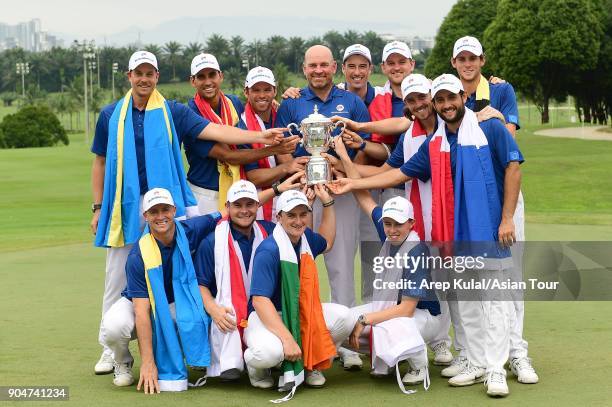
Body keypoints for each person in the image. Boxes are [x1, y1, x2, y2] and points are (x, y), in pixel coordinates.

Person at [91, 50, 285, 377]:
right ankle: (111, 349)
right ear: (129, 76)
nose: (144, 78)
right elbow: (98, 161)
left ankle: (185, 341)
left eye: (150, 73)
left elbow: (217, 132)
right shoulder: (111, 114)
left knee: (178, 271)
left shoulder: (172, 111)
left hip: (164, 202)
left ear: (157, 76)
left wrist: (258, 136)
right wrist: (98, 207)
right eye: (138, 73)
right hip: (124, 203)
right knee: (118, 274)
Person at [331, 74, 524, 397]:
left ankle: (495, 369)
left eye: (452, 98)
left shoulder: (489, 127)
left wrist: (506, 219)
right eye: (441, 100)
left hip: (488, 229)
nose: (447, 105)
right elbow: (397, 173)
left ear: (464, 96)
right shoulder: (436, 143)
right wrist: (351, 182)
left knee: (494, 303)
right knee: (469, 302)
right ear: (435, 103)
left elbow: (513, 166)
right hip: (455, 233)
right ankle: (476, 362)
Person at [330, 137, 449, 389]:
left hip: (422, 317)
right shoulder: (387, 234)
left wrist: (365, 319)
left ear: (411, 224)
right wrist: (342, 153)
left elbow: (406, 310)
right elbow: (362, 193)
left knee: (388, 325)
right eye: (388, 223)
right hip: (393, 310)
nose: (392, 230)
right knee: (339, 325)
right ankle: (390, 355)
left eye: (398, 224)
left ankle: (418, 363)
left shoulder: (416, 251)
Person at [451, 36, 537, 384]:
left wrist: (496, 118)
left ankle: (517, 353)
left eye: (473, 58)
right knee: (471, 281)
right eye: (462, 58)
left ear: (482, 60)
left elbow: (507, 142)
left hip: (505, 198)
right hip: (470, 201)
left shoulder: (502, 90)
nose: (468, 63)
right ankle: (478, 358)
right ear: (454, 62)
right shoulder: (448, 95)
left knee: (509, 279)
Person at [275, 45, 371, 311]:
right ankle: (301, 330)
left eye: (323, 65)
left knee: (341, 263)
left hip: (340, 191)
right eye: (312, 65)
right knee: (297, 260)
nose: (318, 70)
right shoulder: (291, 102)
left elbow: (363, 148)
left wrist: (342, 168)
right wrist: (295, 171)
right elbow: (283, 148)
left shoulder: (352, 102)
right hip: (301, 194)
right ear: (304, 69)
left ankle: (346, 336)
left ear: (333, 67)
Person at [100, 188, 222, 392]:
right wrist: (148, 363)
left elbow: (230, 213)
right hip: (140, 303)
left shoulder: (190, 229)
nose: (160, 216)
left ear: (174, 210)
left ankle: (194, 356)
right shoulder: (137, 256)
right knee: (114, 326)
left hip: (176, 301)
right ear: (145, 216)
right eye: (154, 212)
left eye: (165, 209)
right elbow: (141, 312)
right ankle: (122, 361)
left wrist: (276, 189)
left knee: (202, 314)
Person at [244, 188, 353, 398]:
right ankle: (256, 369)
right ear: (279, 217)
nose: (298, 221)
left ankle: (311, 363)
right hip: (267, 315)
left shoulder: (305, 239)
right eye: (291, 215)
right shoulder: (269, 250)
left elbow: (327, 242)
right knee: (269, 353)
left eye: (303, 214)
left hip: (300, 311)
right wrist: (286, 339)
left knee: (345, 317)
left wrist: (328, 203)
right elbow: (259, 301)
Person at [194, 176, 302, 383]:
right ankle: (238, 358)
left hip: (264, 312)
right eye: (238, 205)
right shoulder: (212, 241)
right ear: (227, 207)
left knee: (276, 351)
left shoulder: (271, 232)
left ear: (258, 205)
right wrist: (213, 310)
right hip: (228, 315)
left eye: (250, 204)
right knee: (258, 354)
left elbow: (304, 235)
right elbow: (201, 284)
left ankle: (255, 363)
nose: (244, 210)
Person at [184, 53, 298, 214]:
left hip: (235, 187)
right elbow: (229, 155)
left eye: (212, 75)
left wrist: (272, 101)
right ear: (192, 81)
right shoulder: (190, 113)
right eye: (201, 77)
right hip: (205, 192)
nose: (208, 81)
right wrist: (274, 150)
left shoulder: (233, 103)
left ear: (220, 76)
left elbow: (254, 109)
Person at [237, 66, 309, 222]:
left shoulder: (284, 115)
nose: (262, 95)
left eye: (267, 89)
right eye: (256, 90)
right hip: (260, 203)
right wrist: (286, 167)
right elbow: (254, 177)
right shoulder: (242, 127)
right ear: (246, 92)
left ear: (275, 91)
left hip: (291, 198)